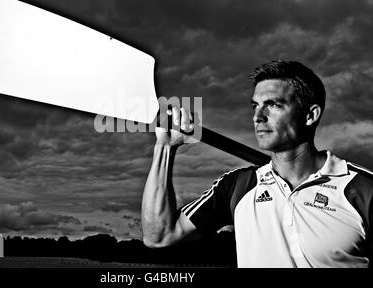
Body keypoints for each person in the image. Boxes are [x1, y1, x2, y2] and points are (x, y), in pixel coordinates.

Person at [141, 60, 373, 268]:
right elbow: (159, 236)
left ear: (310, 115)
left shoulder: (363, 189)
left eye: (273, 105)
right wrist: (164, 147)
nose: (258, 116)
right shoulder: (238, 186)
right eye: (255, 106)